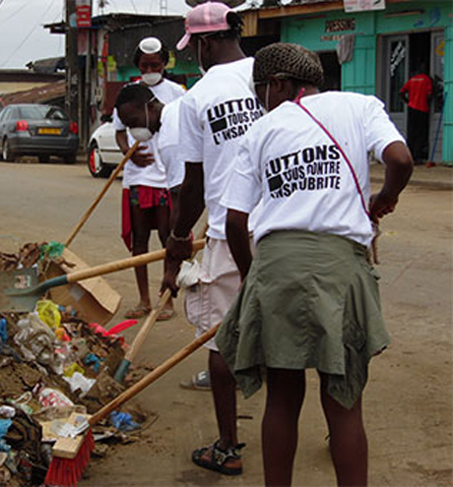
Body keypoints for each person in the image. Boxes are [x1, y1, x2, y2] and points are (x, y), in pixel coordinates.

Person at [216, 43, 414, 486]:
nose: (259, 102)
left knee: (283, 398)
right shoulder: (361, 107)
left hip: (276, 266)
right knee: (343, 400)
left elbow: (234, 221)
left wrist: (253, 279)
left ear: (281, 84)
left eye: (261, 91)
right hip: (340, 268)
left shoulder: (261, 131)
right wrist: (386, 197)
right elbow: (400, 159)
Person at [161, 2, 263, 476]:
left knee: (222, 339)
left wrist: (178, 237)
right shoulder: (273, 76)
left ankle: (228, 446)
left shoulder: (195, 99)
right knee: (291, 331)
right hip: (284, 227)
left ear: (203, 43)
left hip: (229, 229)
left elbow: (193, 185)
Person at [112, 36, 186, 321]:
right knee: (139, 241)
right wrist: (128, 154)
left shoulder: (177, 93)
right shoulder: (129, 93)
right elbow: (119, 131)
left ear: (165, 63)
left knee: (168, 238)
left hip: (167, 178)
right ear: (138, 66)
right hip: (138, 177)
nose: (150, 69)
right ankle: (143, 300)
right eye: (145, 65)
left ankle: (166, 298)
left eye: (155, 64)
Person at [400, 64, 432, 163]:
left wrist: (407, 101)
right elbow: (429, 94)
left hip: (411, 108)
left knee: (411, 132)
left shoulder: (412, 79)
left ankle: (410, 155)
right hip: (422, 109)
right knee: (420, 133)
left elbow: (401, 92)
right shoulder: (427, 79)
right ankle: (417, 157)